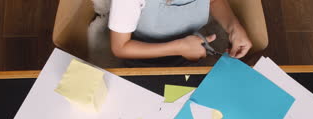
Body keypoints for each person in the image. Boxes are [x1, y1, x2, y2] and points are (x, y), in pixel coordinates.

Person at [108, 0, 252, 64]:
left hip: (191, 50)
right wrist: (178, 48)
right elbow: (120, 47)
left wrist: (234, 27)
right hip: (141, 58)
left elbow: (213, 1)